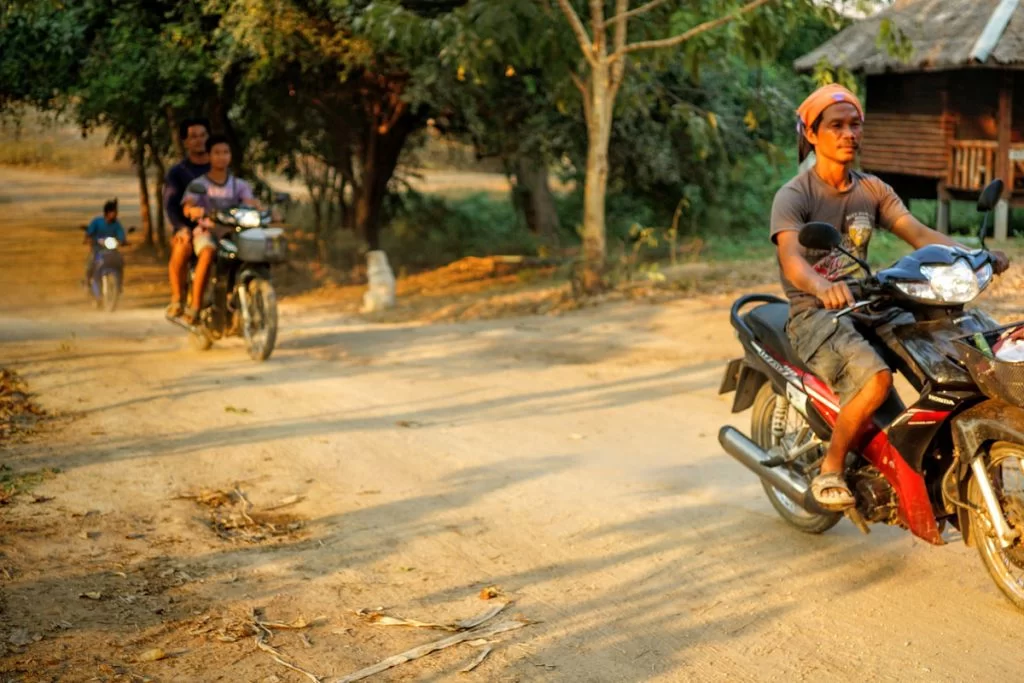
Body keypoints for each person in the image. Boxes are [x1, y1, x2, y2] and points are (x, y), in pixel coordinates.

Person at [771, 84, 1010, 510]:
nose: (849, 134)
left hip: (870, 298)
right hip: (816, 311)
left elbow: (918, 234)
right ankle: (830, 467)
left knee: (953, 349)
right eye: (836, 126)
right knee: (877, 380)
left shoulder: (872, 189)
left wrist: (974, 256)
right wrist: (822, 287)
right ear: (812, 134)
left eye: (855, 124)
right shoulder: (795, 195)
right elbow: (792, 261)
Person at [180, 133, 259, 324]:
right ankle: (196, 306)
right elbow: (188, 204)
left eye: (225, 152)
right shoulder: (200, 184)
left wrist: (265, 210)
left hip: (233, 233)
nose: (221, 156)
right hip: (208, 232)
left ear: (230, 156)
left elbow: (251, 202)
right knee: (207, 252)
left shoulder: (239, 185)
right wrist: (193, 210)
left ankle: (240, 298)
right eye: (217, 152)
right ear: (208, 156)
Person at [165, 117, 211, 318]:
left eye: (203, 135)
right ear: (185, 142)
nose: (199, 140)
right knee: (182, 246)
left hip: (218, 225)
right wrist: (180, 227)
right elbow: (170, 203)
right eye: (193, 137)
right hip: (189, 225)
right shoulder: (178, 172)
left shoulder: (219, 167)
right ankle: (178, 298)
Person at [84, 198, 127, 287]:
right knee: (91, 262)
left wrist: (123, 241)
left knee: (120, 262)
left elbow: (120, 234)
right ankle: (87, 281)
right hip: (97, 249)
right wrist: (88, 238)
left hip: (112, 250)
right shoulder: (97, 222)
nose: (115, 214)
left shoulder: (116, 224)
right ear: (107, 212)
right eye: (113, 212)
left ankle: (119, 284)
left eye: (116, 212)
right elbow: (89, 232)